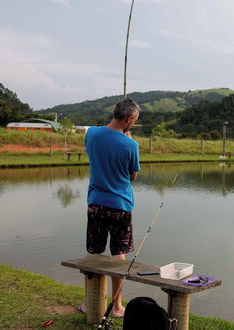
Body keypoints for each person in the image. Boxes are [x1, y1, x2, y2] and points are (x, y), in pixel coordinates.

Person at [79, 97, 141, 318]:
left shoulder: (92, 134)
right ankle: (116, 307)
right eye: (134, 120)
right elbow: (132, 176)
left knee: (92, 252)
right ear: (127, 119)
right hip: (120, 206)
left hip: (95, 203)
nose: (134, 123)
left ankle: (89, 303)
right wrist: (126, 140)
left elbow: (96, 152)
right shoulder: (131, 145)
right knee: (119, 255)